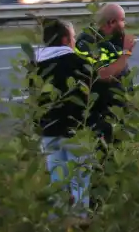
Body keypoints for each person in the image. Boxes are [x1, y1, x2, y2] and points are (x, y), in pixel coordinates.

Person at [32, 18, 94, 214]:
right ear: (67, 39)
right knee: (80, 180)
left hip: (48, 130)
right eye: (73, 36)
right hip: (75, 129)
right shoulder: (77, 62)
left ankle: (56, 226)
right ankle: (79, 221)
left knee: (57, 180)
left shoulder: (35, 64)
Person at [74, 3, 137, 147]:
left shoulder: (114, 41)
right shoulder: (87, 43)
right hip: (98, 115)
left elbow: (121, 72)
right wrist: (126, 53)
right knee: (102, 159)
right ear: (112, 22)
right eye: (123, 20)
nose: (124, 24)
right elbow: (103, 74)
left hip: (116, 114)